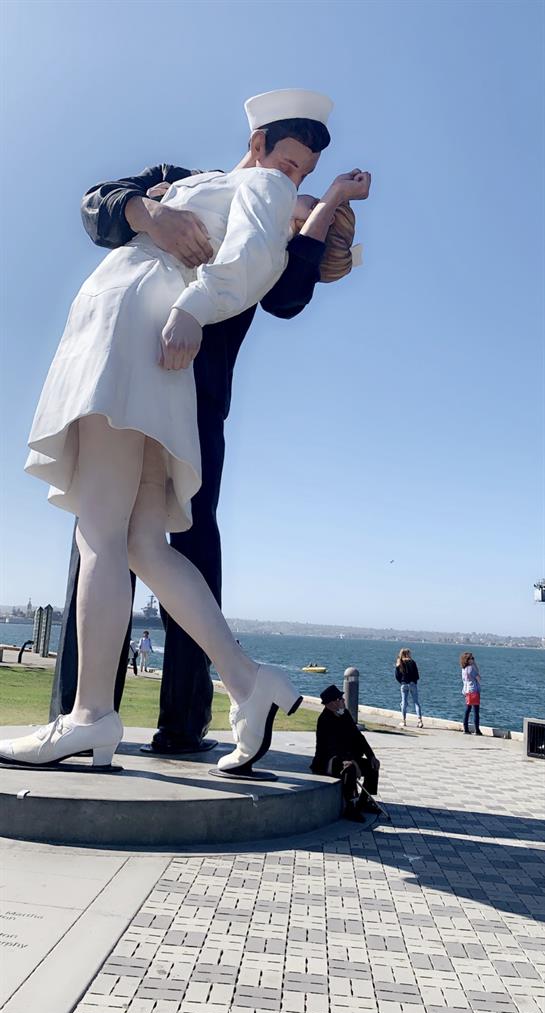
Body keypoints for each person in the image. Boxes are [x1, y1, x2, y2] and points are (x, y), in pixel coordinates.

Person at [0, 89, 369, 776]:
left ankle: (90, 718)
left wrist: (197, 303)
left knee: (102, 533)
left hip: (134, 332)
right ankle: (246, 680)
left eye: (302, 174)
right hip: (156, 351)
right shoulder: (212, 183)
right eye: (287, 162)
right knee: (138, 539)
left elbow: (264, 262)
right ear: (257, 141)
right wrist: (152, 208)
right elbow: (106, 201)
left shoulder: (253, 186)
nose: (293, 179)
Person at [310, 684, 381, 820]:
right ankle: (350, 807)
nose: (343, 700)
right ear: (332, 703)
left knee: (372, 766)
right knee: (349, 768)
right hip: (328, 759)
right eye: (340, 699)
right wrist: (351, 760)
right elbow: (331, 747)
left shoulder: (345, 714)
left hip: (347, 756)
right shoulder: (324, 720)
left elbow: (358, 737)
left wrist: (371, 756)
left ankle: (364, 801)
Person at [395, 648, 424, 728]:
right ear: (408, 654)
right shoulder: (412, 662)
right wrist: (414, 681)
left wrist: (401, 682)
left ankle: (403, 720)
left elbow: (397, 676)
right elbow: (417, 675)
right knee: (416, 702)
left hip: (404, 684)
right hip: (412, 684)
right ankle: (419, 721)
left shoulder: (399, 663)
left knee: (404, 702)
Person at [460, 651, 482, 735]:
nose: (473, 659)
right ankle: (477, 730)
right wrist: (475, 664)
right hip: (474, 690)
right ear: (468, 660)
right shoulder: (471, 668)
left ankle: (465, 728)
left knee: (467, 710)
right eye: (472, 658)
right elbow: (479, 678)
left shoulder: (463, 669)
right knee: (476, 711)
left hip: (466, 690)